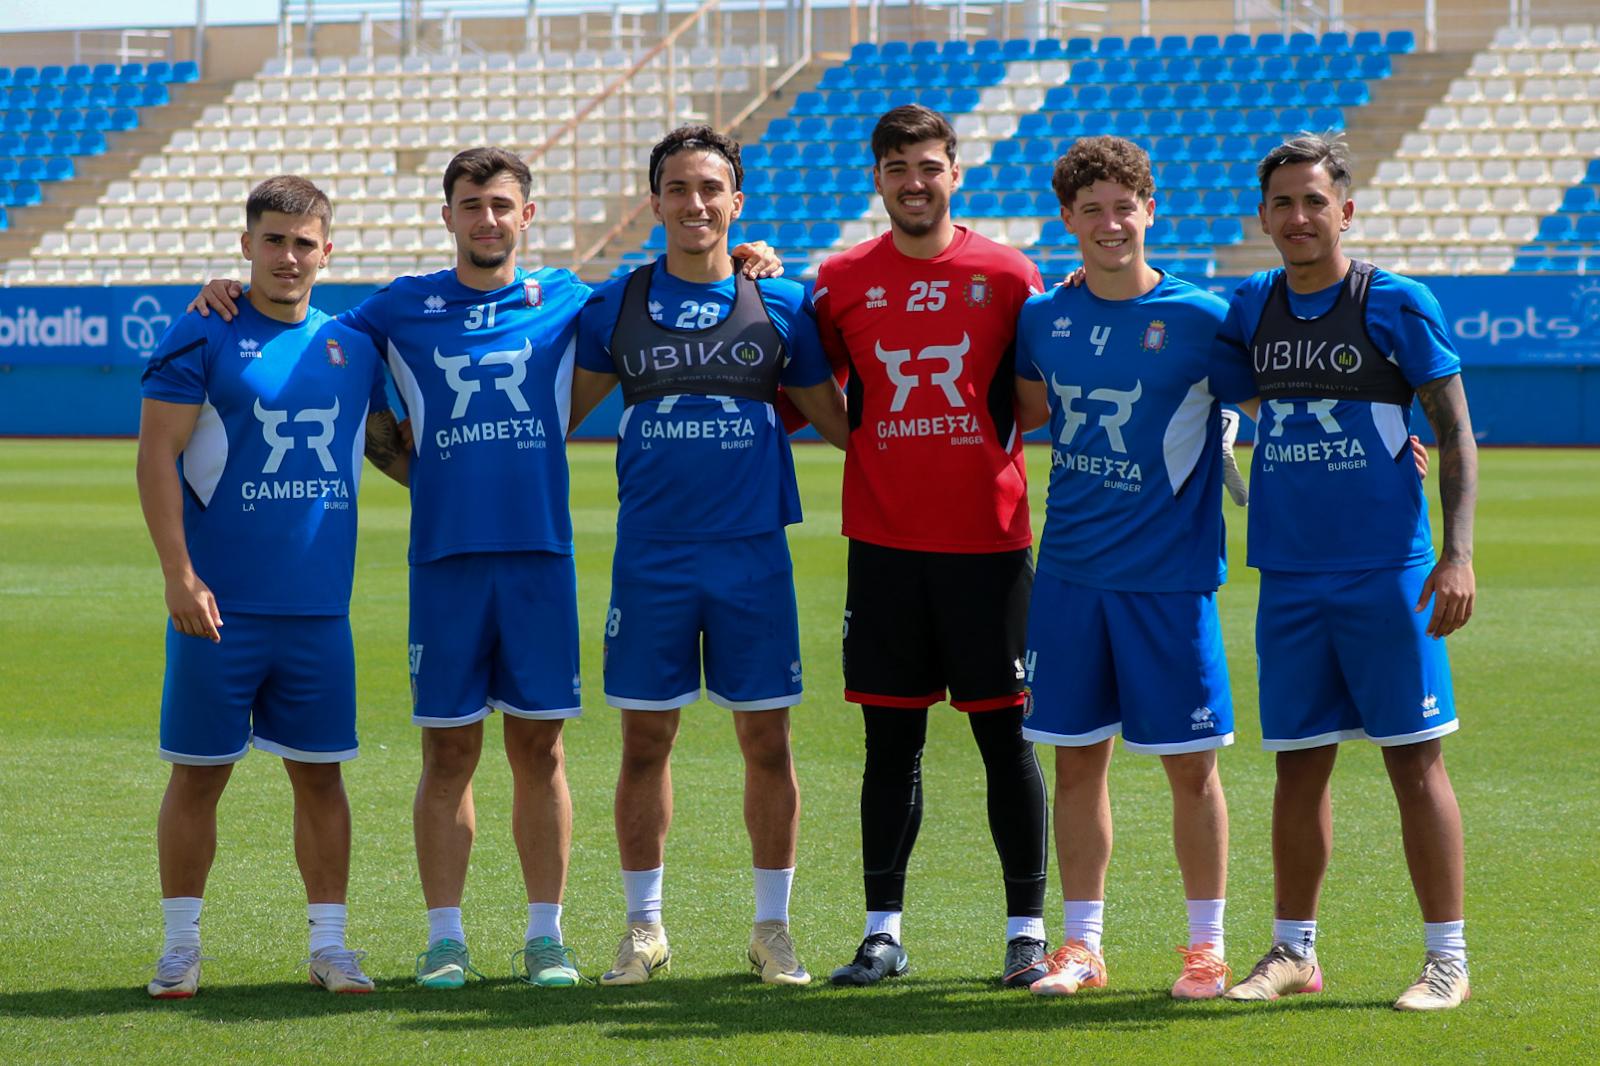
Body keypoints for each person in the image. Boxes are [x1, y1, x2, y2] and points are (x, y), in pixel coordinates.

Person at [188, 148, 783, 990]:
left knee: (540, 750)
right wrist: (230, 291)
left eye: (503, 205)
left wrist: (754, 259)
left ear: (526, 217)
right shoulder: (398, 307)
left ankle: (547, 938)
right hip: (444, 561)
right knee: (448, 755)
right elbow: (306, 330)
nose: (488, 220)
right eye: (472, 205)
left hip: (540, 557)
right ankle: (446, 939)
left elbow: (685, 280)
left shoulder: (571, 299)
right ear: (449, 217)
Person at [565, 125, 848, 987]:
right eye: (678, 188)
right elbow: (552, 421)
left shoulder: (783, 303)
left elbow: (844, 427)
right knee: (644, 741)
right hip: (650, 557)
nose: (695, 204)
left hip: (752, 557)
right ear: (655, 202)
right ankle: (644, 929)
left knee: (768, 742)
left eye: (710, 188)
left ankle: (773, 928)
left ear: (737, 201)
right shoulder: (613, 305)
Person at [1208, 133, 1477, 1011]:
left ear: (1345, 210)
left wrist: (1458, 554)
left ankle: (1448, 960)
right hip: (1288, 574)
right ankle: (1293, 952)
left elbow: (1457, 430)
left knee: (1415, 762)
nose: (1297, 217)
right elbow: (1188, 358)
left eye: (1314, 201)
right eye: (1282, 203)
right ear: (1264, 217)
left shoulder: (1396, 302)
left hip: (1387, 574)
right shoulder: (1250, 305)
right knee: (1297, 766)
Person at [800, 105, 1052, 988]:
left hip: (988, 547)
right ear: (878, 177)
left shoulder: (1010, 275)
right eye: (898, 167)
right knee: (889, 746)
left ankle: (1027, 931)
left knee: (1005, 744)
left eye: (930, 165)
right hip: (886, 548)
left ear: (956, 172)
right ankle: (881, 933)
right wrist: (860, 446)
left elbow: (1044, 399)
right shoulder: (839, 282)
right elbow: (803, 378)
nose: (915, 181)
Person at [138, 176, 406, 998]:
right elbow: (156, 458)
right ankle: (180, 946)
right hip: (219, 609)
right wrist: (180, 576)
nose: (288, 256)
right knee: (198, 774)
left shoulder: (355, 347)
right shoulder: (202, 332)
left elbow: (391, 451)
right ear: (247, 244)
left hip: (318, 611)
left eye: (304, 242)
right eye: (273, 240)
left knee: (322, 776)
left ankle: (331, 946)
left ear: (328, 250)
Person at [1011, 136, 1237, 999]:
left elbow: (1276, 394)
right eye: (1092, 209)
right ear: (1068, 221)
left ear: (1151, 208)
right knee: (1076, 762)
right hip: (1069, 574)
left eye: (1124, 205)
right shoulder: (1043, 315)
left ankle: (1206, 946)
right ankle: (1082, 946)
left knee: (1191, 767)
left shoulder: (1206, 318)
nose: (1111, 223)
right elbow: (1029, 407)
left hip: (1168, 581)